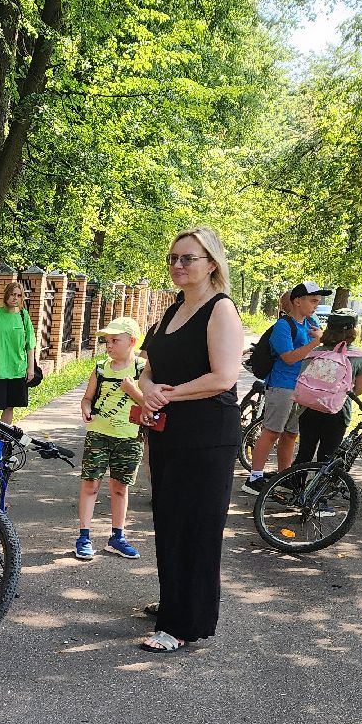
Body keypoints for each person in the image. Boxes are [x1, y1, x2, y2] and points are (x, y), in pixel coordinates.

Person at [135, 227, 243, 652]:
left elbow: (224, 377)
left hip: (207, 434)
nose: (178, 265)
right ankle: (173, 601)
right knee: (170, 519)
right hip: (168, 430)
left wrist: (167, 393)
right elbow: (150, 365)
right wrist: (149, 388)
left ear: (211, 264)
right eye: (173, 258)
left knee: (196, 526)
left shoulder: (221, 310)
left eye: (188, 258)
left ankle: (184, 624)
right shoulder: (170, 310)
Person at [243, 280, 328, 494]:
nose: (316, 305)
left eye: (318, 301)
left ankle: (284, 476)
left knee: (290, 434)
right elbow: (289, 358)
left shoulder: (311, 322)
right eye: (313, 301)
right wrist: (315, 343)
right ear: (297, 301)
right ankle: (254, 477)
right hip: (282, 386)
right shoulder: (283, 326)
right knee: (271, 431)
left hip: (302, 387)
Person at [74, 316, 145, 561]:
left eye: (115, 340)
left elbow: (151, 405)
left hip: (129, 437)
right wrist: (85, 408)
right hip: (99, 435)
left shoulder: (142, 369)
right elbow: (87, 398)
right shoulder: (101, 368)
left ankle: (117, 536)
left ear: (132, 341)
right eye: (107, 341)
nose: (109, 346)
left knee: (120, 488)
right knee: (90, 484)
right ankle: (84, 536)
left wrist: (133, 390)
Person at [291, 314, 362, 467]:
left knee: (305, 451)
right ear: (353, 332)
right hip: (338, 411)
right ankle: (320, 490)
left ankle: (294, 486)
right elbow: (360, 389)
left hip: (309, 407)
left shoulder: (313, 353)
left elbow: (302, 378)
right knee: (327, 455)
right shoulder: (360, 357)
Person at [0, 282, 36, 424]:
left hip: (18, 370)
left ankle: (0, 441)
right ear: (6, 295)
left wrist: (31, 368)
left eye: (19, 295)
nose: (15, 298)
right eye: (12, 294)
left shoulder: (23, 316)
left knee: (9, 407)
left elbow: (30, 344)